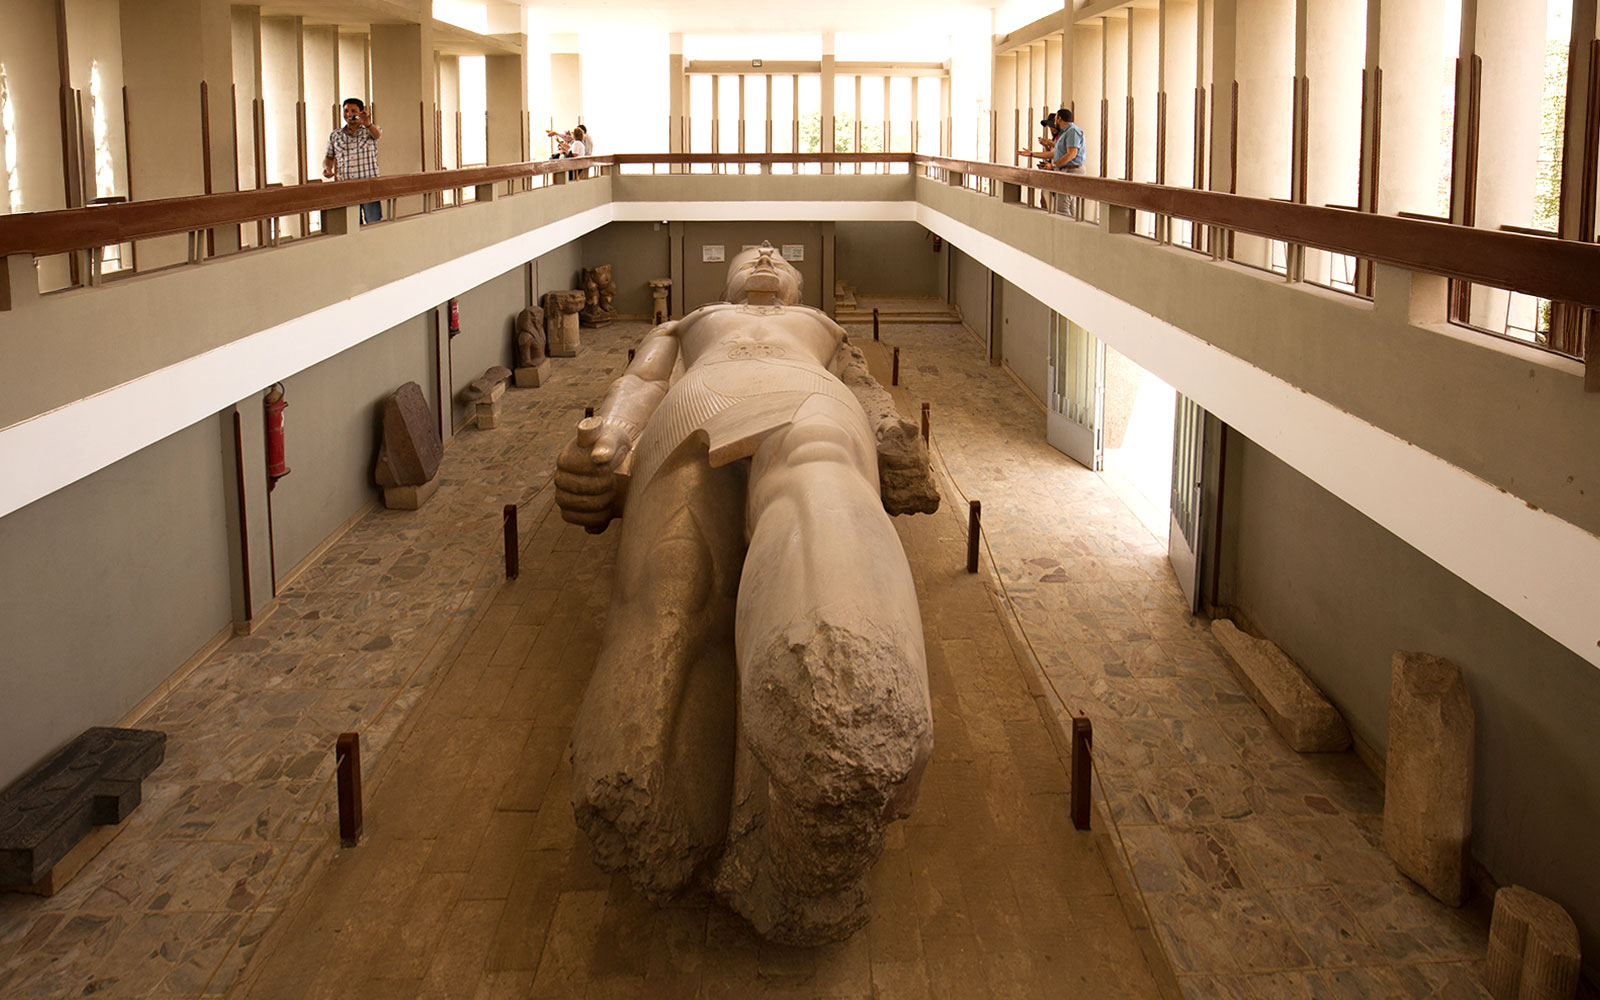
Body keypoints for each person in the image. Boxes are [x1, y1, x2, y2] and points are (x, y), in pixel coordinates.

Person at [555, 244, 933, 944]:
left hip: (808, 400)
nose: (764, 255)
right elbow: (640, 382)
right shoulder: (690, 322)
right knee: (675, 589)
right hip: (696, 406)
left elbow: (868, 392)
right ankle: (660, 794)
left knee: (817, 480)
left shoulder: (822, 328)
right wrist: (606, 446)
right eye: (751, 254)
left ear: (795, 287)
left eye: (777, 256)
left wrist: (891, 440)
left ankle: (844, 701)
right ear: (726, 281)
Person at [322, 98, 382, 224]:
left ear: (361, 112)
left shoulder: (369, 131)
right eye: (346, 111)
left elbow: (377, 135)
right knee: (352, 225)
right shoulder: (335, 135)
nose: (349, 114)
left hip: (369, 187)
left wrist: (367, 124)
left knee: (374, 224)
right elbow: (329, 157)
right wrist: (327, 168)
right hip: (346, 188)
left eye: (353, 111)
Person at [1048, 107, 1086, 216]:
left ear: (1059, 118)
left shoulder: (1072, 131)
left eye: (1055, 118)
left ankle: (1064, 227)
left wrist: (1055, 165)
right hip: (1066, 170)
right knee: (1070, 205)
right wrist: (1032, 154)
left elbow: (1072, 154)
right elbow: (1057, 153)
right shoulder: (1064, 132)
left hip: (1072, 170)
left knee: (1062, 207)